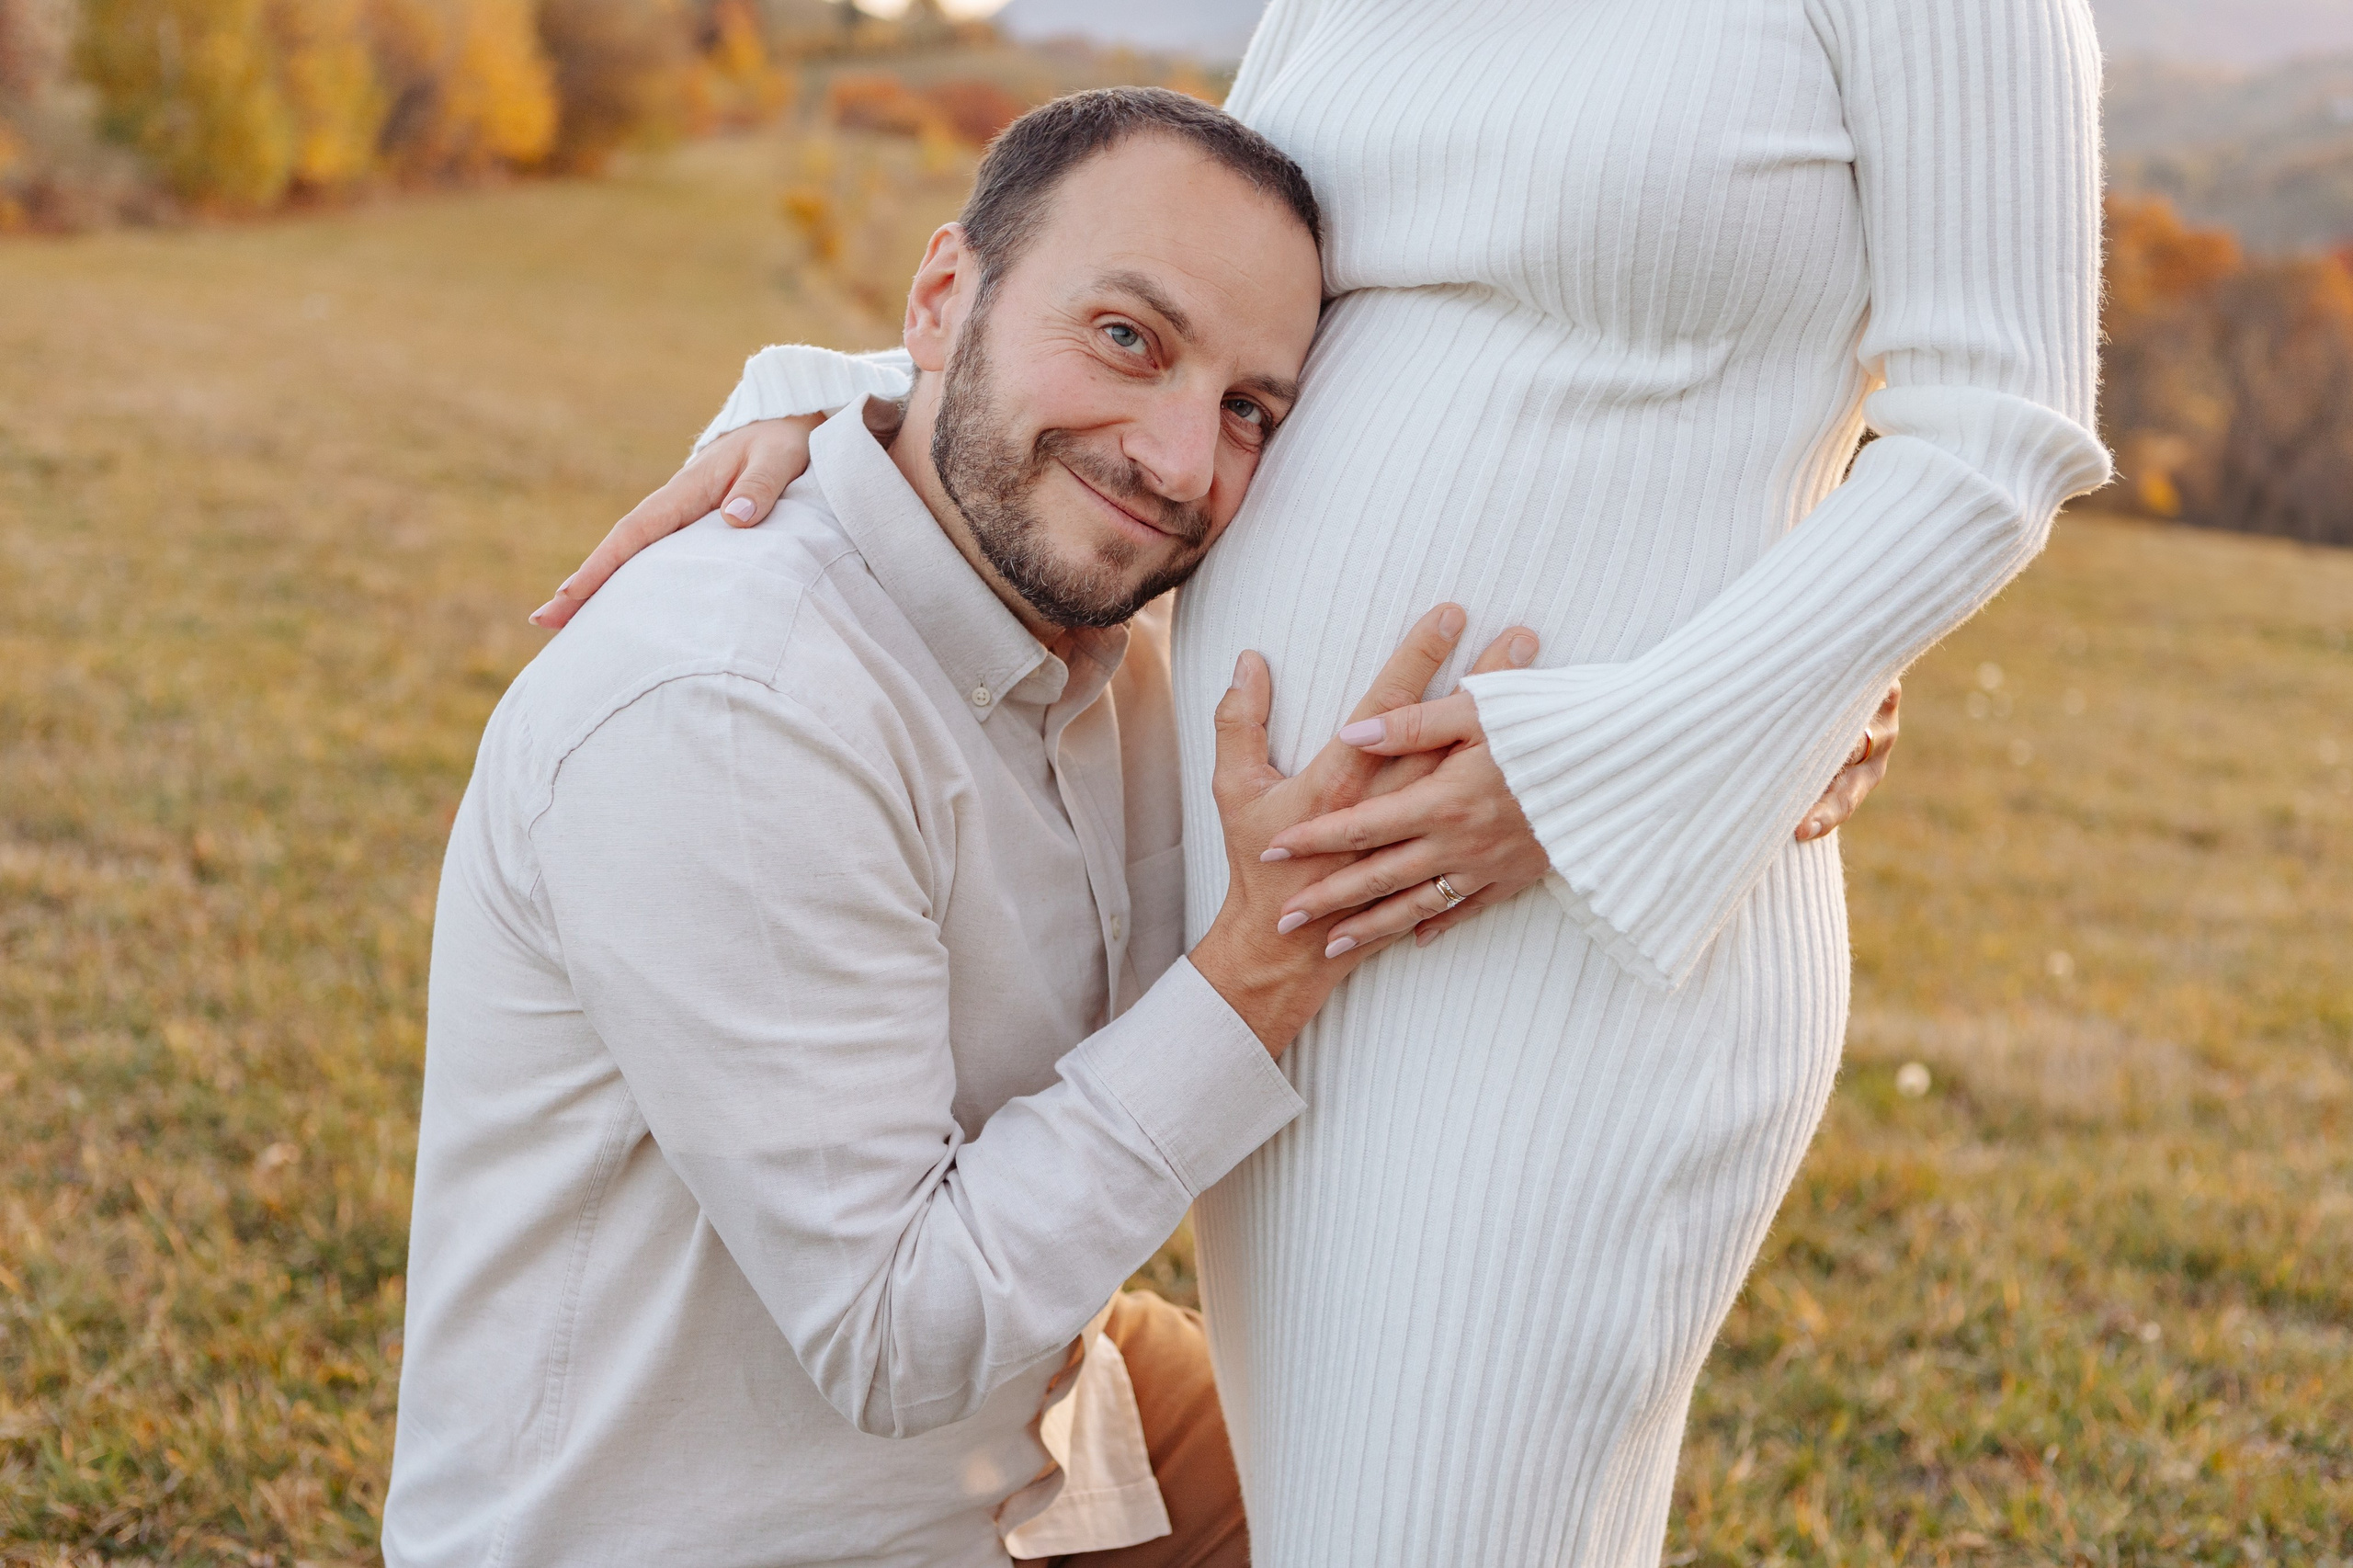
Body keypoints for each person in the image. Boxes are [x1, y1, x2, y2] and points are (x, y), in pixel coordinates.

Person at [552, 0, 2118, 1553]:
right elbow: (1227, 298)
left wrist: (1631, 751)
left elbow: (1997, 437)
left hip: (1566, 933)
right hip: (1285, 934)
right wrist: (850, 401)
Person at [386, 91, 1549, 1568]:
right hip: (738, 1525)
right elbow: (895, 1336)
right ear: (942, 295)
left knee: (1433, 1497)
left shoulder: (1113, 641)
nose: (1183, 463)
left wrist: (1777, 707)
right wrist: (1266, 956)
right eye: (1131, 337)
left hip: (1046, 1431)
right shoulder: (732, 707)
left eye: (1251, 408)